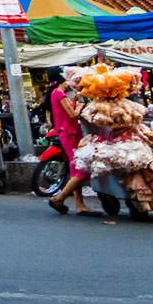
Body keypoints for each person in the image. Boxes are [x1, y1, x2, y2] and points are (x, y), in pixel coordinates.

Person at [47, 71, 96, 216]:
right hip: (70, 133)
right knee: (82, 169)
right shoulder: (59, 94)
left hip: (69, 132)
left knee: (75, 168)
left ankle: (80, 205)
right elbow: (73, 114)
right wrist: (80, 105)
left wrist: (74, 101)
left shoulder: (56, 94)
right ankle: (59, 198)